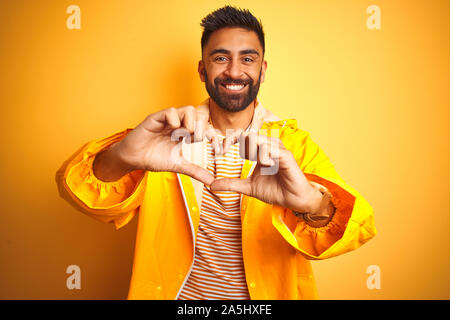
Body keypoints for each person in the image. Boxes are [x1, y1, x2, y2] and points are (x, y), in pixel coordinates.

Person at [56, 6, 376, 300]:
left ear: (262, 70)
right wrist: (121, 157)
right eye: (221, 58)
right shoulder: (163, 137)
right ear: (202, 69)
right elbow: (85, 195)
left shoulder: (293, 146)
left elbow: (357, 227)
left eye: (247, 59)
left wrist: (309, 202)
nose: (234, 71)